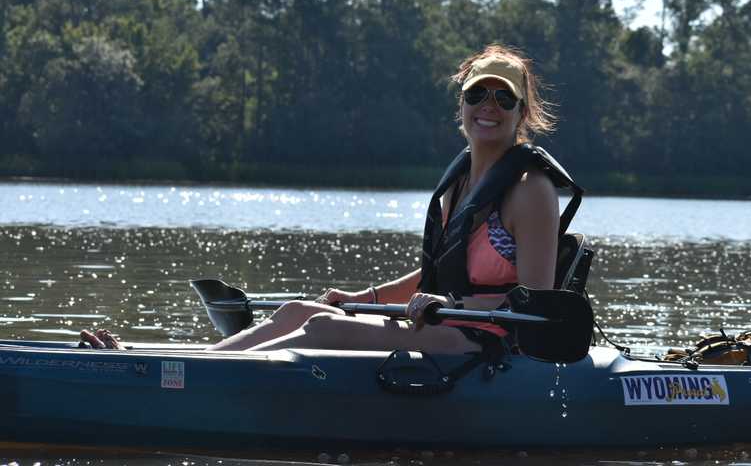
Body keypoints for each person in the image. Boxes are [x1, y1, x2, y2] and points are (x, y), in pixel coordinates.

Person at [81, 44, 565, 354]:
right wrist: (365, 298)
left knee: (323, 332)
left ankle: (184, 381)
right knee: (297, 311)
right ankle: (187, 365)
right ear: (460, 102)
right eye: (478, 94)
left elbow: (533, 301)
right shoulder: (460, 186)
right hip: (443, 324)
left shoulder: (530, 190)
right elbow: (437, 273)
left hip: (488, 341)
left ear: (522, 112)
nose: (489, 108)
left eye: (505, 99)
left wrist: (450, 304)